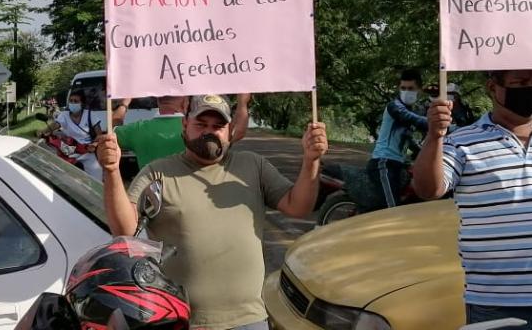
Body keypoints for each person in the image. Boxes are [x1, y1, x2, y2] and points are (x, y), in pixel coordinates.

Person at [96, 94, 328, 330]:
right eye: (201, 124)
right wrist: (112, 171)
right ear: (185, 125)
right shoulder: (157, 172)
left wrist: (311, 161)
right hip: (183, 321)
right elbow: (124, 229)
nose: (210, 131)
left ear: (230, 131)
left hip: (250, 319)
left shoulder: (253, 166)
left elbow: (298, 206)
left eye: (218, 126)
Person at [415, 69, 532, 327]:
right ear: (492, 87)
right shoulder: (461, 142)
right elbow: (429, 189)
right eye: (520, 83)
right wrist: (434, 136)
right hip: (496, 304)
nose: (531, 89)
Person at [111, 94, 251, 171]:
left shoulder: (138, 130)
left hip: (152, 205)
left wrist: (125, 103)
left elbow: (109, 135)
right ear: (185, 102)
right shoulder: (202, 130)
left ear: (158, 101)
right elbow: (238, 131)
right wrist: (242, 103)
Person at [366, 69, 428, 208]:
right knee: (392, 209)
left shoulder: (412, 109)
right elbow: (415, 120)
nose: (406, 91)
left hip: (398, 163)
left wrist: (421, 151)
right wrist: (437, 123)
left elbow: (408, 138)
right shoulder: (395, 107)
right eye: (403, 88)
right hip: (383, 163)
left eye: (411, 88)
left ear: (419, 89)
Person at [55, 89, 102, 180]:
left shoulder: (90, 114)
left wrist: (94, 144)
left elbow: (99, 134)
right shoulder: (64, 115)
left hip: (86, 150)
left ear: (82, 103)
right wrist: (44, 131)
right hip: (69, 150)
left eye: (76, 101)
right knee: (61, 175)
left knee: (97, 174)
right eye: (71, 101)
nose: (73, 103)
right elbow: (56, 125)